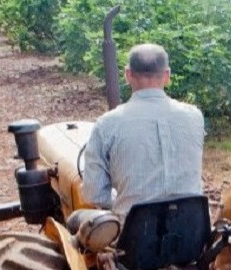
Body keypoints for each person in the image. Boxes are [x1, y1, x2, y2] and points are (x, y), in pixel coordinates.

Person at [81, 43, 205, 223]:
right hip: (192, 232)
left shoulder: (106, 124)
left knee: (77, 222)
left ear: (128, 75)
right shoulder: (194, 116)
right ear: (167, 76)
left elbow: (94, 196)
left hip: (135, 241)